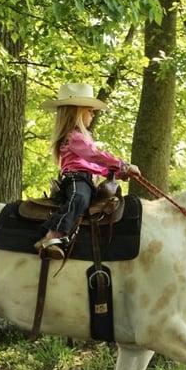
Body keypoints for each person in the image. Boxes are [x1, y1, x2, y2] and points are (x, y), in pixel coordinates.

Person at [34, 83, 140, 260]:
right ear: (76, 112)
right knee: (79, 199)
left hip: (88, 180)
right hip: (76, 180)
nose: (93, 114)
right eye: (89, 110)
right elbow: (95, 156)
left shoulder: (82, 138)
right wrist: (122, 165)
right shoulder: (73, 136)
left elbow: (95, 166)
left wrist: (118, 173)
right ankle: (52, 236)